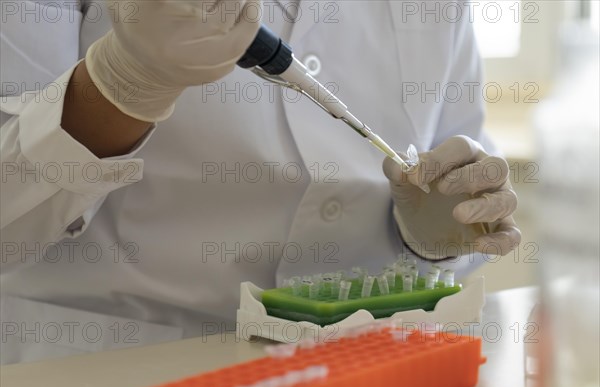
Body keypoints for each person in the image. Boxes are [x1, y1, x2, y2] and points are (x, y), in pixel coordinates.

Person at [0, 0, 520, 364]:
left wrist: (435, 235)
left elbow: (460, 159)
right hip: (108, 362)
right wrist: (124, 81)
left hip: (364, 361)